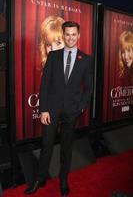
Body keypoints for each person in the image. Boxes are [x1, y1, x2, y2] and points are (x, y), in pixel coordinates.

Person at [24, 21, 93, 196]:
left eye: (73, 34)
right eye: (67, 34)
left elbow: (89, 87)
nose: (70, 37)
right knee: (46, 144)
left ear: (78, 36)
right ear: (64, 35)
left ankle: (63, 179)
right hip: (52, 110)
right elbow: (45, 84)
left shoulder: (85, 59)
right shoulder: (53, 56)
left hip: (72, 111)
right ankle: (40, 179)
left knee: (66, 147)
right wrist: (44, 109)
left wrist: (81, 107)